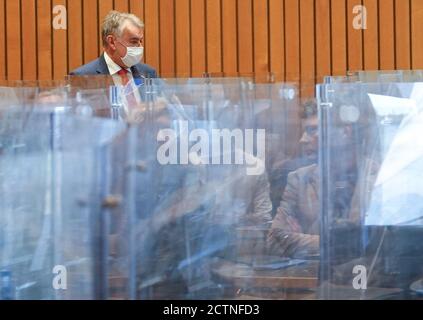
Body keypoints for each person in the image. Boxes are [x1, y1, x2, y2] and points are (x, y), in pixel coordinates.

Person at [69, 11, 157, 84]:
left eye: (140, 41)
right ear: (111, 42)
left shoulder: (148, 73)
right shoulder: (82, 78)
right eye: (134, 41)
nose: (140, 47)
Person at [269, 100, 318, 217]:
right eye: (305, 131)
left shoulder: (363, 173)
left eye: (312, 130)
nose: (303, 140)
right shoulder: (291, 173)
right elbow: (280, 230)